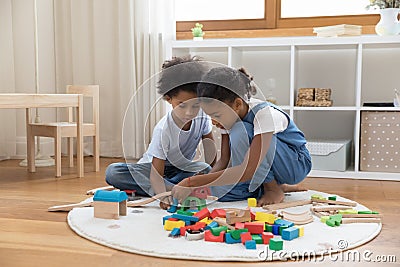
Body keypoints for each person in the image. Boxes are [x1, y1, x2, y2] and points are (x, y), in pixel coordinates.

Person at [171, 66, 311, 206]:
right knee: (220, 193)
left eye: (216, 116)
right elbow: (224, 160)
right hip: (255, 168)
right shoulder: (228, 118)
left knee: (240, 129)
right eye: (210, 117)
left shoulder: (265, 114)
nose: (213, 122)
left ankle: (272, 188)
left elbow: (248, 169)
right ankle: (270, 186)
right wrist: (203, 185)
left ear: (237, 104)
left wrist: (191, 182)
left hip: (294, 164)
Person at [105, 56, 216, 209]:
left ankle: (176, 187)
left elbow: (211, 155)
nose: (189, 112)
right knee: (113, 172)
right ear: (169, 98)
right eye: (182, 105)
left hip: (180, 170)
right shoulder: (163, 129)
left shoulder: (203, 118)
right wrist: (162, 195)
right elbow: (156, 174)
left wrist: (214, 177)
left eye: (195, 106)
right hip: (152, 169)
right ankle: (172, 190)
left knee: (205, 169)